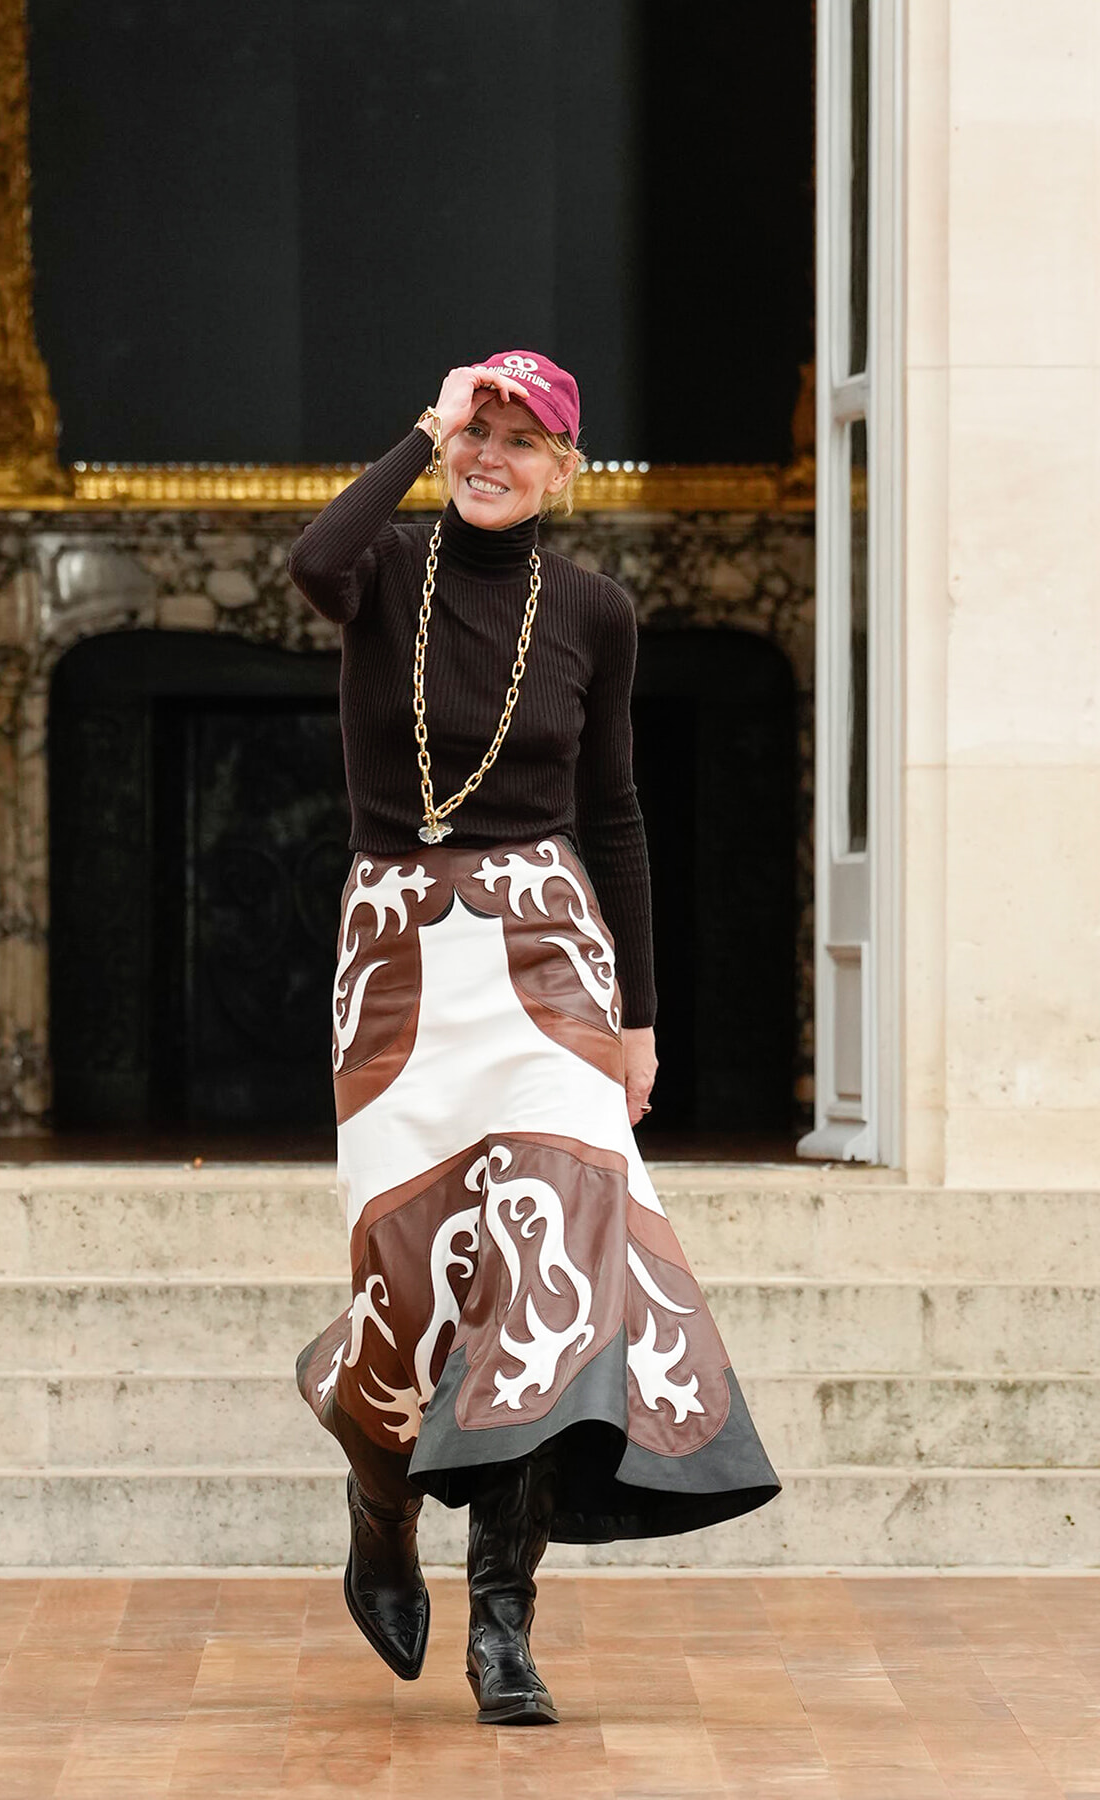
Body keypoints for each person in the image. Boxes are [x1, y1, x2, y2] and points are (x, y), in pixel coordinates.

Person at [288, 352, 781, 1727]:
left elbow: (615, 812)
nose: (494, 455)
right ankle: (378, 1494)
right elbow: (311, 560)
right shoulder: (386, 567)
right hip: (394, 958)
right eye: (478, 432)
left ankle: (506, 1622)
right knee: (410, 1294)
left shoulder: (596, 612)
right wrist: (417, 429)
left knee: (556, 1272)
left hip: (549, 956)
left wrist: (638, 1022)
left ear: (568, 469)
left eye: (522, 440)